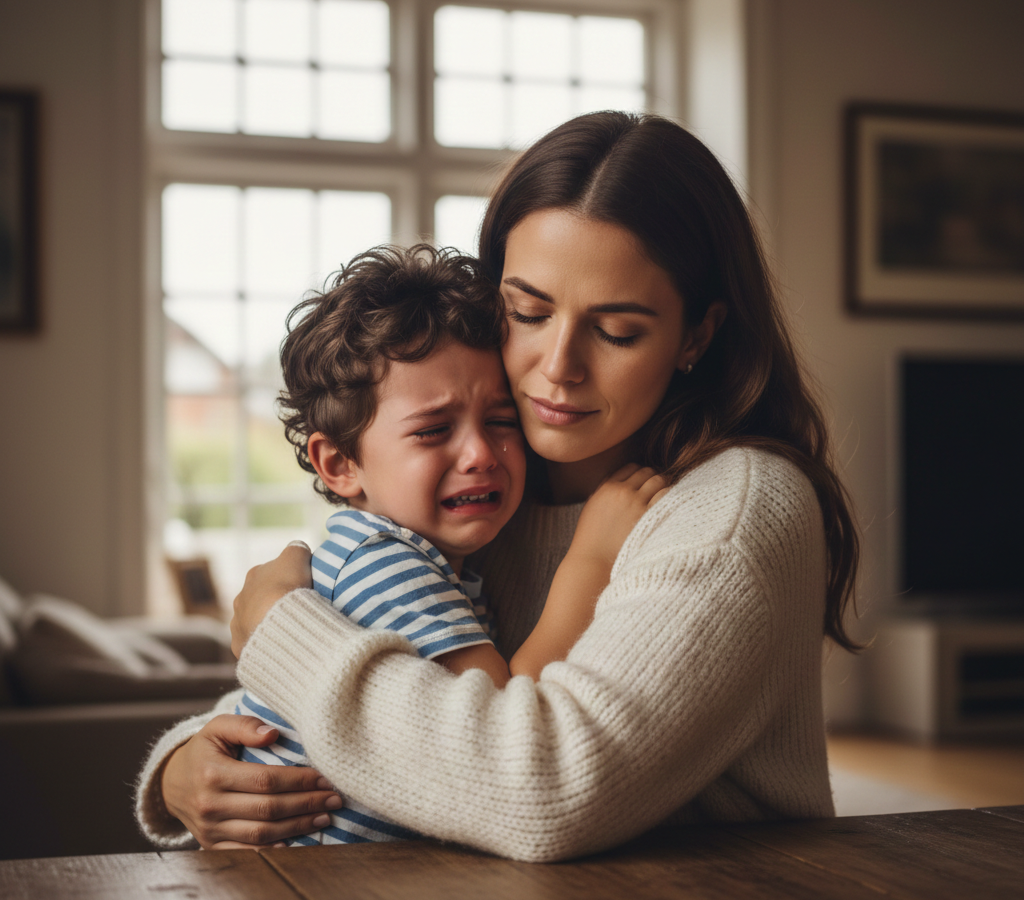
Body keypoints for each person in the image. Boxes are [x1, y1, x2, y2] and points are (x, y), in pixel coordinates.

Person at [136, 111, 860, 863]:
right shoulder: (489, 491)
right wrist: (188, 765)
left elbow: (544, 790)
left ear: (697, 337)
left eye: (616, 331)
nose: (558, 366)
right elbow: (368, 675)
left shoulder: (733, 506)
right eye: (527, 312)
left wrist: (283, 628)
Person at [230, 244, 666, 846]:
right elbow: (509, 712)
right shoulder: (383, 562)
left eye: (501, 420)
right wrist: (591, 558)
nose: (481, 454)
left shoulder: (408, 552)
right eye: (434, 430)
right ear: (340, 464)